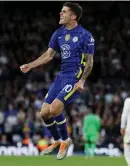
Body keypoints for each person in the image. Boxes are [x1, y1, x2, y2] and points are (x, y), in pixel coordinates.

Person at [20, 2, 95, 160]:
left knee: (55, 109)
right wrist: (30, 65)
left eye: (64, 12)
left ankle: (65, 141)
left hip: (74, 77)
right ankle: (57, 140)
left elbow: (89, 62)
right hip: (61, 76)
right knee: (44, 113)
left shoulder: (85, 35)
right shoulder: (58, 33)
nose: (60, 14)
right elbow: (48, 56)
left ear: (73, 16)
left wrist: (82, 81)